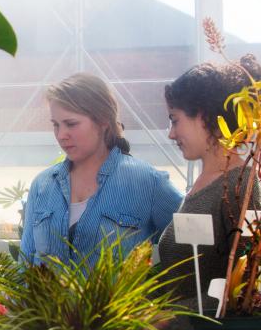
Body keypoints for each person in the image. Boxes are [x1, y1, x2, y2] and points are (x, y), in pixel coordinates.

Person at [20, 73, 182, 266]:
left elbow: (193, 249)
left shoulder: (147, 182)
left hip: (117, 297)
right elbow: (25, 265)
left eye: (71, 124)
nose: (62, 135)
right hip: (44, 298)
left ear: (103, 120)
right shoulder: (43, 185)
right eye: (56, 125)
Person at [158, 55, 261, 319]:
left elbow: (247, 287)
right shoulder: (203, 184)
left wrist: (170, 318)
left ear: (202, 117)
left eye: (175, 119)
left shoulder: (241, 188)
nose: (171, 133)